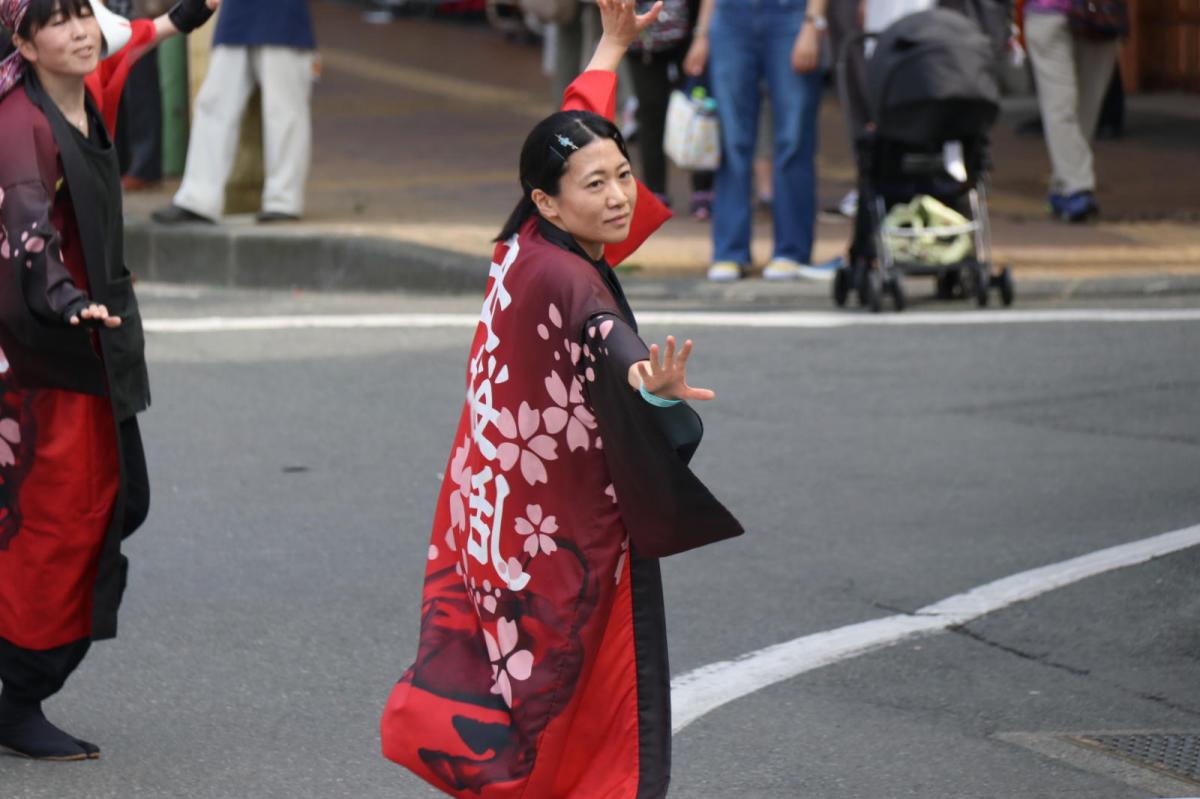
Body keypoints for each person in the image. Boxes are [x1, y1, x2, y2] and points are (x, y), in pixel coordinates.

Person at [379, 1, 743, 795]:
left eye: (624, 175)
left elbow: (577, 121)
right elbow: (609, 339)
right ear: (548, 201)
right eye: (596, 184)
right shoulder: (565, 276)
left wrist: (610, 47)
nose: (618, 196)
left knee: (498, 659)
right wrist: (652, 386)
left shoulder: (525, 239)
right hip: (553, 517)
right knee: (565, 676)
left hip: (491, 495)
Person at [0, 0, 216, 761]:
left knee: (119, 504)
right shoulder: (19, 126)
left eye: (81, 15)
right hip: (43, 352)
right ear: (24, 44)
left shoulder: (86, 80)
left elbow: (132, 37)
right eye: (56, 22)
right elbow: (25, 229)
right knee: (59, 526)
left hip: (95, 339)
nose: (80, 31)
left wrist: (183, 18)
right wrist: (64, 300)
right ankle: (18, 695)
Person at [684, 0, 829, 281]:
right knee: (731, 140)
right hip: (729, 14)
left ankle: (791, 251)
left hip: (792, 13)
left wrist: (813, 22)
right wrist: (702, 32)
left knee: (794, 138)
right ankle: (729, 251)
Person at [152, 0, 316, 225]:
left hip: (282, 16)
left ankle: (284, 200)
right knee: (214, 104)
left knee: (284, 111)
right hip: (237, 15)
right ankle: (198, 198)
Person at [1023, 0, 1120, 222]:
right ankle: (1076, 187)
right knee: (1068, 107)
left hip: (1090, 15)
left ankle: (1065, 185)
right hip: (1062, 14)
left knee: (1077, 109)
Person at [624, 0, 715, 218]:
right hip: (642, 38)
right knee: (650, 112)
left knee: (699, 108)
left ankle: (703, 188)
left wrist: (702, 35)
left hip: (690, 31)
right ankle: (655, 191)